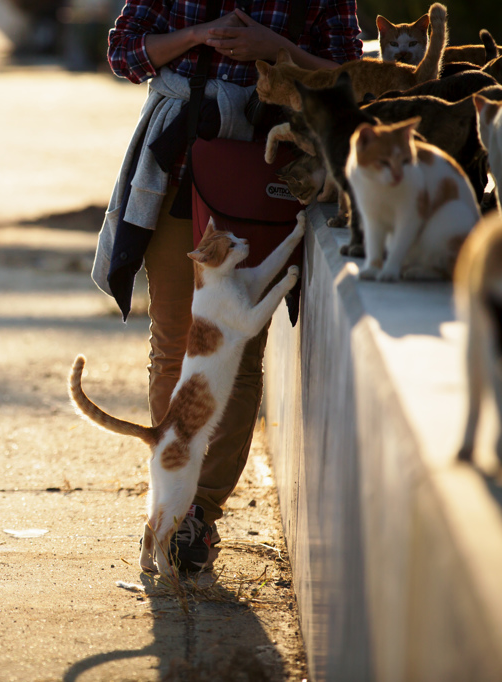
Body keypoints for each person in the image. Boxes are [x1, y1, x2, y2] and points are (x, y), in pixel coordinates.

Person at [92, 0, 362, 571]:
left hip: (260, 171)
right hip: (175, 165)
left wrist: (276, 49)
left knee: (238, 355)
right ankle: (176, 506)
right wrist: (197, 35)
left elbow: (349, 78)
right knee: (175, 342)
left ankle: (199, 515)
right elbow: (123, 53)